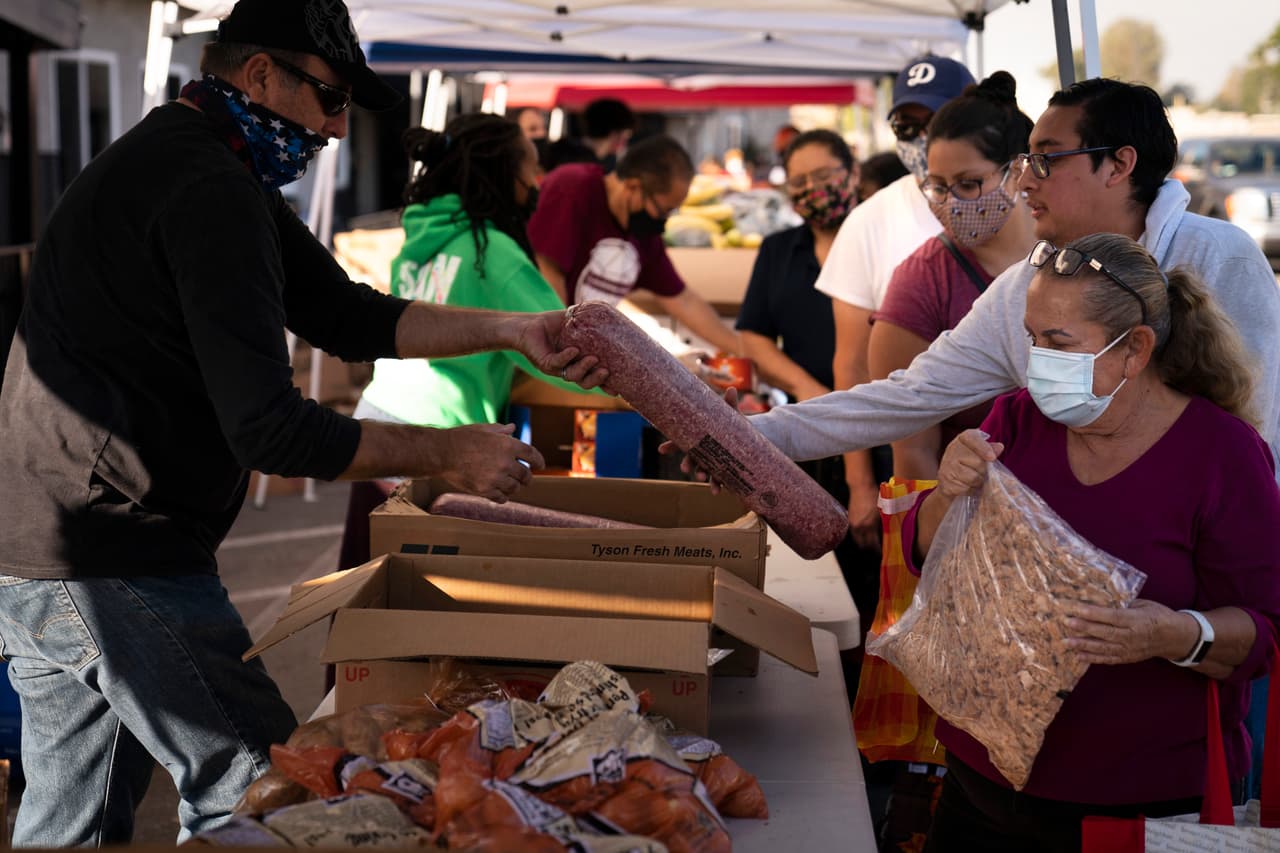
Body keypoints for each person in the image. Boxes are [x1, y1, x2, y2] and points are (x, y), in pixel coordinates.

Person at [0, 0, 605, 844]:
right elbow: (271, 430)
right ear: (258, 75)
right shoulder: (207, 186)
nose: (334, 125)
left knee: (73, 824)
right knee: (277, 794)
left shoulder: (200, 161)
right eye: (327, 97)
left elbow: (348, 314)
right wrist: (453, 453)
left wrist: (508, 329)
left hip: (50, 541)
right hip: (111, 549)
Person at [909, 233, 1280, 851]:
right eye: (1032, 338)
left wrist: (1172, 633)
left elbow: (1266, 630)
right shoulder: (1015, 420)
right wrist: (946, 492)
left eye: (1058, 342)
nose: (1037, 359)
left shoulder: (1223, 456)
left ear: (1135, 348)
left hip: (1141, 803)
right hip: (983, 774)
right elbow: (927, 553)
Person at [745, 78, 1280, 483]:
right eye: (1026, 160)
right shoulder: (1022, 290)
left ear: (1118, 165)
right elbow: (904, 398)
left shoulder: (1218, 256)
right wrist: (744, 436)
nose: (1025, 179)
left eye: (1046, 160)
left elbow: (1259, 431)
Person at [338, 112, 601, 570]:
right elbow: (565, 353)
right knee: (425, 614)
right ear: (505, 172)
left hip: (379, 434)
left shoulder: (420, 237)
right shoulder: (491, 252)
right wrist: (656, 380)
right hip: (434, 453)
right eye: (531, 167)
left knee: (367, 613)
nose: (537, 181)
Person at [816, 54, 975, 550]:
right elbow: (851, 365)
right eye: (906, 125)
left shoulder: (1010, 208)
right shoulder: (870, 220)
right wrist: (859, 485)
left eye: (936, 120)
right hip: (904, 455)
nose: (921, 137)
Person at [734, 128, 878, 678]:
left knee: (873, 585)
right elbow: (752, 335)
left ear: (851, 173)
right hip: (812, 442)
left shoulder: (879, 243)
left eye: (824, 176)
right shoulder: (780, 251)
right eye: (800, 182)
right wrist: (806, 389)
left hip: (879, 437)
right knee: (821, 584)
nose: (814, 190)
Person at [868, 71, 1036, 480]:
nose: (950, 202)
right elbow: (912, 450)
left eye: (968, 184)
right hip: (973, 517)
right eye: (938, 186)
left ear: (1017, 172)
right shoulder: (922, 280)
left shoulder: (1074, 253)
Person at [528, 134, 742, 356]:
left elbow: (684, 300)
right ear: (633, 187)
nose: (663, 221)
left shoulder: (643, 235)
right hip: (535, 350)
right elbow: (547, 271)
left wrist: (744, 350)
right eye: (664, 210)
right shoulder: (574, 187)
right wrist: (565, 348)